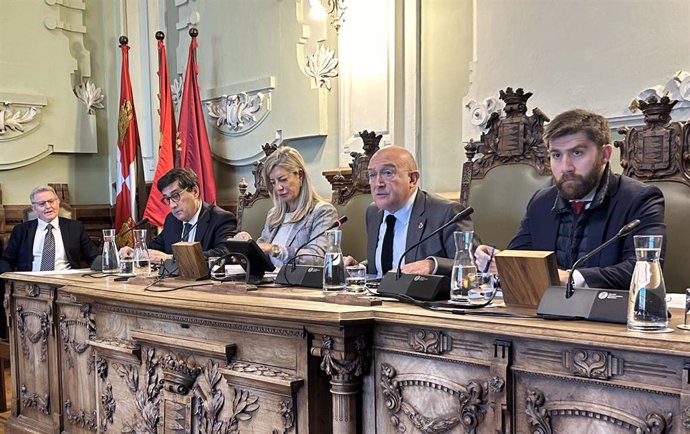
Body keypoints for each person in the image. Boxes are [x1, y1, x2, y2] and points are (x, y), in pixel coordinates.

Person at [475, 109, 666, 289]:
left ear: (605, 154)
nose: (565, 167)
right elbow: (520, 257)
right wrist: (497, 261)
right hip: (542, 313)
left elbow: (645, 269)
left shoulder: (640, 199)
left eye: (577, 153)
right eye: (556, 155)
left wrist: (571, 278)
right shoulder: (541, 202)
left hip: (610, 316)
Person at [358, 145, 472, 276]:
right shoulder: (373, 212)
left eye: (388, 173)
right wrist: (357, 268)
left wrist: (433, 265)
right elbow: (386, 264)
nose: (378, 183)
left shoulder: (447, 213)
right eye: (372, 175)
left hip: (422, 296)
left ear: (412, 179)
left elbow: (472, 266)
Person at [234, 146, 338, 266]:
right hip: (270, 283)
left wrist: (274, 249)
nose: (278, 187)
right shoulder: (274, 214)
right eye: (273, 182)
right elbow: (262, 254)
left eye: (283, 179)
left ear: (300, 175)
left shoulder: (323, 212)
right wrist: (247, 245)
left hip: (299, 284)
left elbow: (317, 258)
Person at [119, 168, 237, 263]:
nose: (172, 205)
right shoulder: (172, 220)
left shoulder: (221, 218)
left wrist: (172, 259)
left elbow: (225, 253)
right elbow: (154, 248)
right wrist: (135, 252)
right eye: (167, 199)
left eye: (176, 196)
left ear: (195, 191)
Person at [0, 185, 99, 273]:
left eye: (51, 201)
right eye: (42, 204)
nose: (48, 206)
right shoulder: (20, 230)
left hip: (65, 284)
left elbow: (93, 257)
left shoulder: (75, 228)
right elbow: (6, 261)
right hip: (31, 284)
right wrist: (10, 283)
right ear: (34, 208)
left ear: (58, 203)